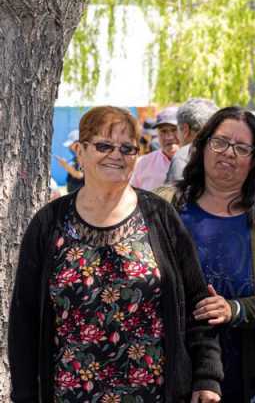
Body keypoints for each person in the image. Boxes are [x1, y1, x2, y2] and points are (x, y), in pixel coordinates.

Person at [9, 106, 223, 403]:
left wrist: (207, 376)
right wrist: (25, 395)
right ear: (80, 151)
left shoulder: (159, 216)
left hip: (153, 394)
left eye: (127, 148)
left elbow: (197, 301)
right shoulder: (49, 223)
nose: (116, 155)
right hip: (68, 395)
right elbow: (24, 322)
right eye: (103, 145)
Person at [155, 107, 255, 402]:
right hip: (162, 372)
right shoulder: (165, 204)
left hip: (236, 378)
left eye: (242, 148)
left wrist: (235, 309)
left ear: (254, 161)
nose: (229, 153)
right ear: (203, 146)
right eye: (221, 142)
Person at [166, 98, 218, 184]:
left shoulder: (183, 157)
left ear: (185, 130)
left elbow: (174, 194)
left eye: (176, 129)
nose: (176, 136)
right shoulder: (225, 152)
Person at [131, 106, 180, 190]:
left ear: (184, 131)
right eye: (163, 131)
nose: (169, 137)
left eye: (174, 130)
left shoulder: (197, 161)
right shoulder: (142, 163)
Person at [55, 129, 85, 193]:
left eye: (71, 145)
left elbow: (80, 175)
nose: (69, 147)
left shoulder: (85, 157)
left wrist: (65, 165)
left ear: (78, 143)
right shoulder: (76, 157)